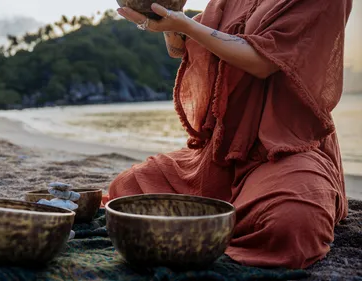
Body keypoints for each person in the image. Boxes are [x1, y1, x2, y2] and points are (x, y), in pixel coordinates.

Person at [105, 0, 353, 269]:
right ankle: (220, 218)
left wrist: (182, 23)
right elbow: (180, 47)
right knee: (127, 187)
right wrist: (167, 12)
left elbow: (263, 61)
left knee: (292, 222)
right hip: (225, 152)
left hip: (286, 149)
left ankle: (218, 221)